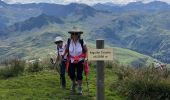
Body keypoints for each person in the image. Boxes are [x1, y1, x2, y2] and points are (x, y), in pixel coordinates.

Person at [63, 27, 88, 95]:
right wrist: (63, 55)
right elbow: (66, 50)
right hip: (71, 60)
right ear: (71, 34)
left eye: (76, 33)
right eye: (73, 33)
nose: (74, 35)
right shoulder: (68, 41)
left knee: (79, 75)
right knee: (71, 74)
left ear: (78, 34)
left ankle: (79, 88)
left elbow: (86, 51)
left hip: (80, 61)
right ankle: (74, 83)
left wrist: (86, 58)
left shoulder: (82, 42)